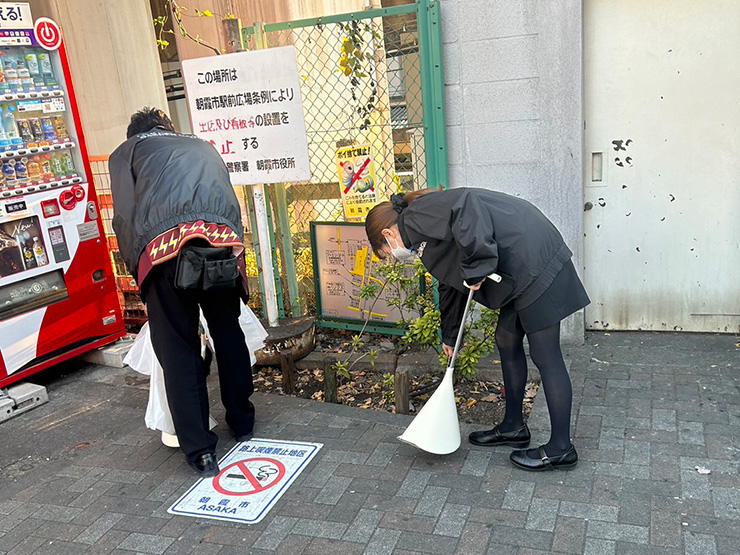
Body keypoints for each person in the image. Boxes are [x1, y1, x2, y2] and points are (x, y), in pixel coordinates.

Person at [365, 187, 590, 471]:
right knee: (506, 340)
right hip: (517, 267)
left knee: (546, 356)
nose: (393, 255)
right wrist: (450, 335)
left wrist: (478, 265)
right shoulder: (421, 236)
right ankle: (513, 427)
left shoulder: (416, 216)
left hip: (532, 258)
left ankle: (560, 448)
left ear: (387, 235)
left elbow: (466, 205)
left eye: (386, 253)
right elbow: (450, 281)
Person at [109, 107, 256, 477]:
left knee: (178, 347)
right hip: (220, 243)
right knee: (228, 333)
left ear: (135, 134)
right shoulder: (201, 144)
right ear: (168, 128)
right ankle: (242, 421)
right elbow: (227, 198)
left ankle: (200, 450)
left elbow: (125, 216)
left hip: (163, 253)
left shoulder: (127, 152)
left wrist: (138, 270)